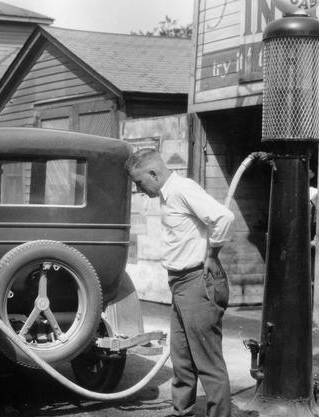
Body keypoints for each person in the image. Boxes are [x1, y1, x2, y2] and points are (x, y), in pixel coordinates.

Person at [125, 148, 235, 417]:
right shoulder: (167, 195)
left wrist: (212, 254)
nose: (140, 189)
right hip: (180, 285)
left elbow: (224, 217)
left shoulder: (182, 189)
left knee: (208, 362)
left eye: (140, 183)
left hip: (197, 281)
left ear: (154, 173)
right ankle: (181, 412)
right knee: (182, 359)